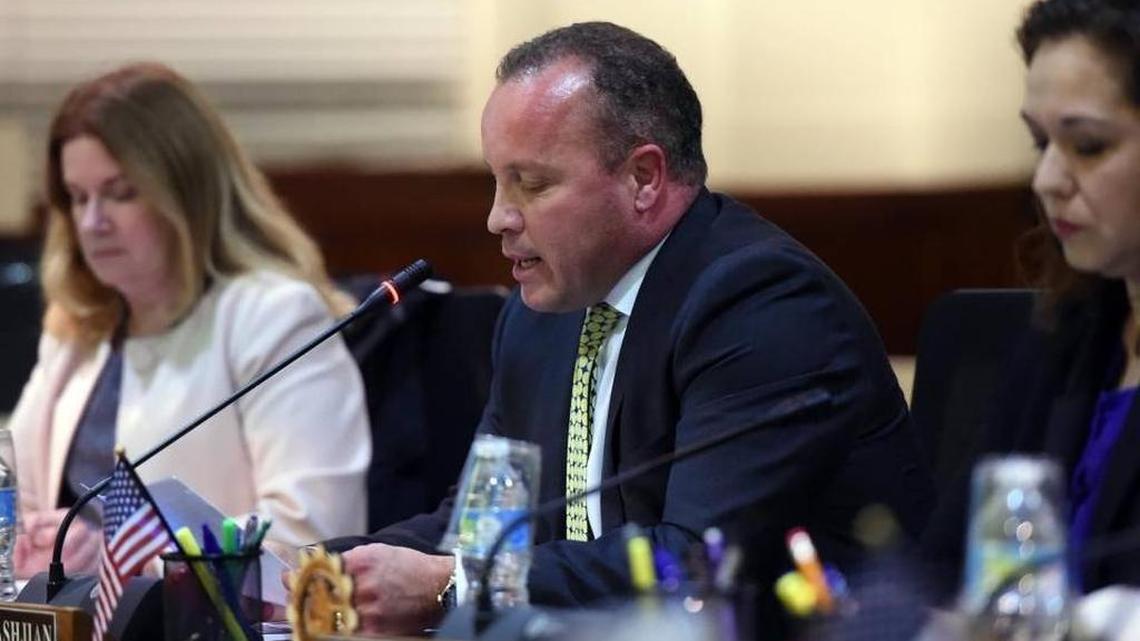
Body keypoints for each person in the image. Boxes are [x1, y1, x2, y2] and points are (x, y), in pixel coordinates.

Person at [325, 22, 934, 637]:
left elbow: (693, 562)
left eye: (531, 184)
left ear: (643, 178)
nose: (497, 218)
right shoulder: (538, 313)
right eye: (496, 181)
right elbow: (480, 526)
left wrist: (453, 584)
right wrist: (326, 568)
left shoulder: (760, 303)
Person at [9, 63, 371, 578]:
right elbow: (14, 488)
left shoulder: (275, 316)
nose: (92, 223)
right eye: (79, 197)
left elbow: (311, 538)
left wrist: (120, 558)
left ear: (187, 193)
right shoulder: (79, 324)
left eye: (120, 193)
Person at [922, 0, 1140, 599]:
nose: (1046, 178)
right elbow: (945, 567)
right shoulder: (1065, 332)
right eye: (1040, 141)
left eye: (1087, 145)